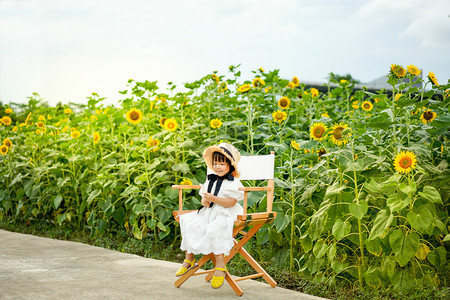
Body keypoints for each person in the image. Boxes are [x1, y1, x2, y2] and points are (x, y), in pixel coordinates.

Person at [176, 142, 244, 289]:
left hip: (226, 213)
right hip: (210, 212)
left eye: (221, 163)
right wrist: (205, 201)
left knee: (215, 228)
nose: (218, 167)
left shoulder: (233, 183)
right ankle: (189, 258)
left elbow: (231, 202)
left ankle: (220, 266)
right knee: (188, 221)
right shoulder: (210, 180)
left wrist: (214, 199)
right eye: (215, 163)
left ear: (230, 166)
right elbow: (204, 199)